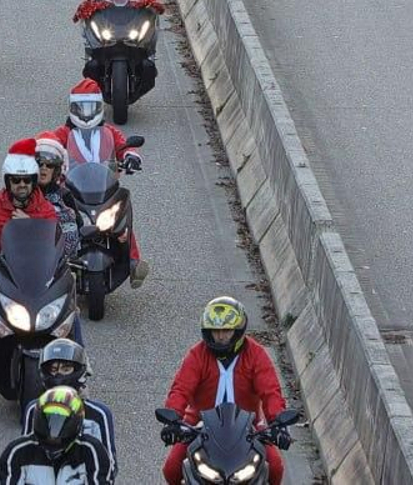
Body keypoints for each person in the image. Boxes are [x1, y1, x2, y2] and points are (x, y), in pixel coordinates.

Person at [162, 298, 287, 485]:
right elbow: (180, 389)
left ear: (238, 331)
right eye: (215, 331)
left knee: (276, 467)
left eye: (226, 331)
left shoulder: (256, 354)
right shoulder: (197, 354)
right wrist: (172, 418)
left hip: (249, 426)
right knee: (171, 468)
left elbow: (271, 392)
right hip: (199, 425)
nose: (220, 337)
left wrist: (278, 423)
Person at [50, 79, 148, 285]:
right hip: (71, 188)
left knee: (122, 215)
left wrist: (131, 157)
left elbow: (124, 146)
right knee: (54, 219)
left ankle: (133, 260)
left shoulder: (109, 132)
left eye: (91, 107)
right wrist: (43, 151)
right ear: (72, 108)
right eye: (81, 108)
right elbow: (49, 142)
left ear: (99, 107)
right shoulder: (63, 133)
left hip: (104, 187)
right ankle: (50, 261)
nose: (86, 113)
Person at [0, 140, 58, 340]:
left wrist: (29, 223)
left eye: (27, 180)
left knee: (66, 298)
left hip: (38, 267)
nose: (22, 185)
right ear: (8, 182)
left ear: (33, 181)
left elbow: (55, 238)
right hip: (1, 263)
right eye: (16, 180)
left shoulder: (45, 208)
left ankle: (76, 348)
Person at [24, 339, 118, 470]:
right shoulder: (33, 409)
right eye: (53, 369)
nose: (58, 375)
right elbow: (25, 454)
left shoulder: (99, 414)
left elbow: (110, 465)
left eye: (66, 369)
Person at [0, 386, 115, 485]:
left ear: (76, 424)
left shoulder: (92, 451)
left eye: (60, 422)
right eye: (48, 420)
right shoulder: (17, 453)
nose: (53, 435)